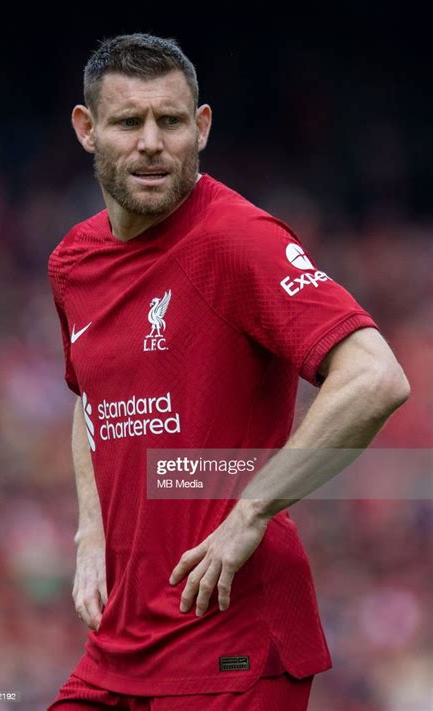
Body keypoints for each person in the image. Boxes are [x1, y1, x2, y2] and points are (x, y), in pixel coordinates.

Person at [46, 33, 410, 711]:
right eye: (129, 121)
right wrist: (89, 529)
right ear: (87, 129)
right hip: (123, 637)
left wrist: (250, 512)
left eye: (172, 121)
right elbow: (89, 395)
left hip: (232, 638)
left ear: (202, 127)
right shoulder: (72, 262)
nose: (152, 142)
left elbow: (375, 376)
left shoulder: (238, 240)